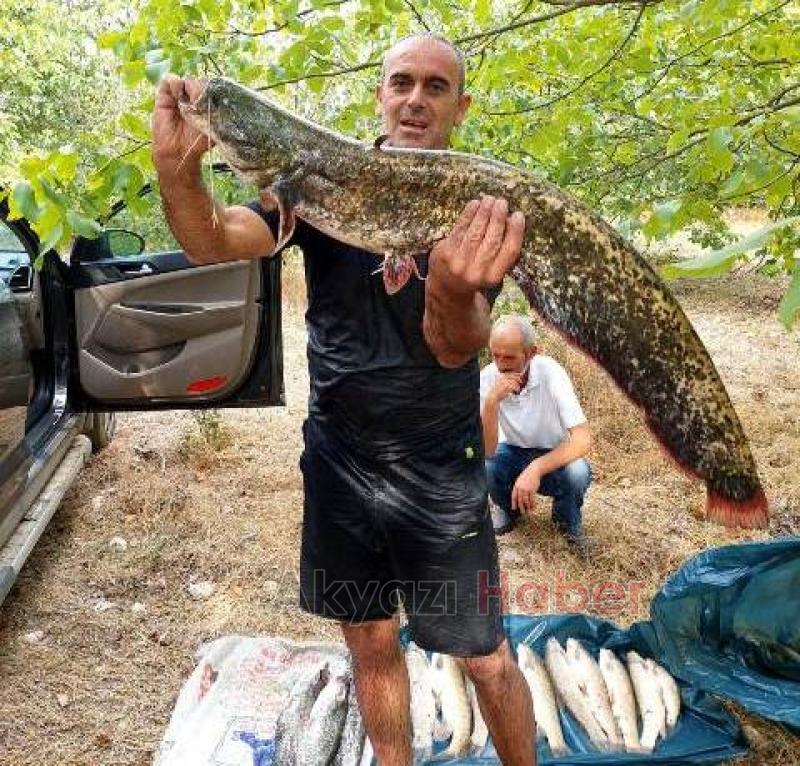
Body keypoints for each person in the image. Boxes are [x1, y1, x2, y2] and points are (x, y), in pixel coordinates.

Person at [152, 34, 537, 766]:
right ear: (380, 95)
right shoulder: (319, 179)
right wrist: (178, 170)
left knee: (484, 655)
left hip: (439, 465)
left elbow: (459, 345)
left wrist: (448, 285)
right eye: (402, 82)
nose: (415, 99)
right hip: (340, 460)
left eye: (435, 87)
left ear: (461, 106)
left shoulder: (476, 205)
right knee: (369, 639)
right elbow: (216, 238)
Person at [480, 315, 592, 551]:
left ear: (531, 353)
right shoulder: (487, 378)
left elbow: (582, 440)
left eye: (509, 357)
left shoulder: (551, 373)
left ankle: (565, 520)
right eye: (495, 355)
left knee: (578, 472)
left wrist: (536, 468)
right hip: (511, 452)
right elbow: (488, 450)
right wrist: (491, 403)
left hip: (552, 453)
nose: (500, 365)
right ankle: (509, 509)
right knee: (485, 466)